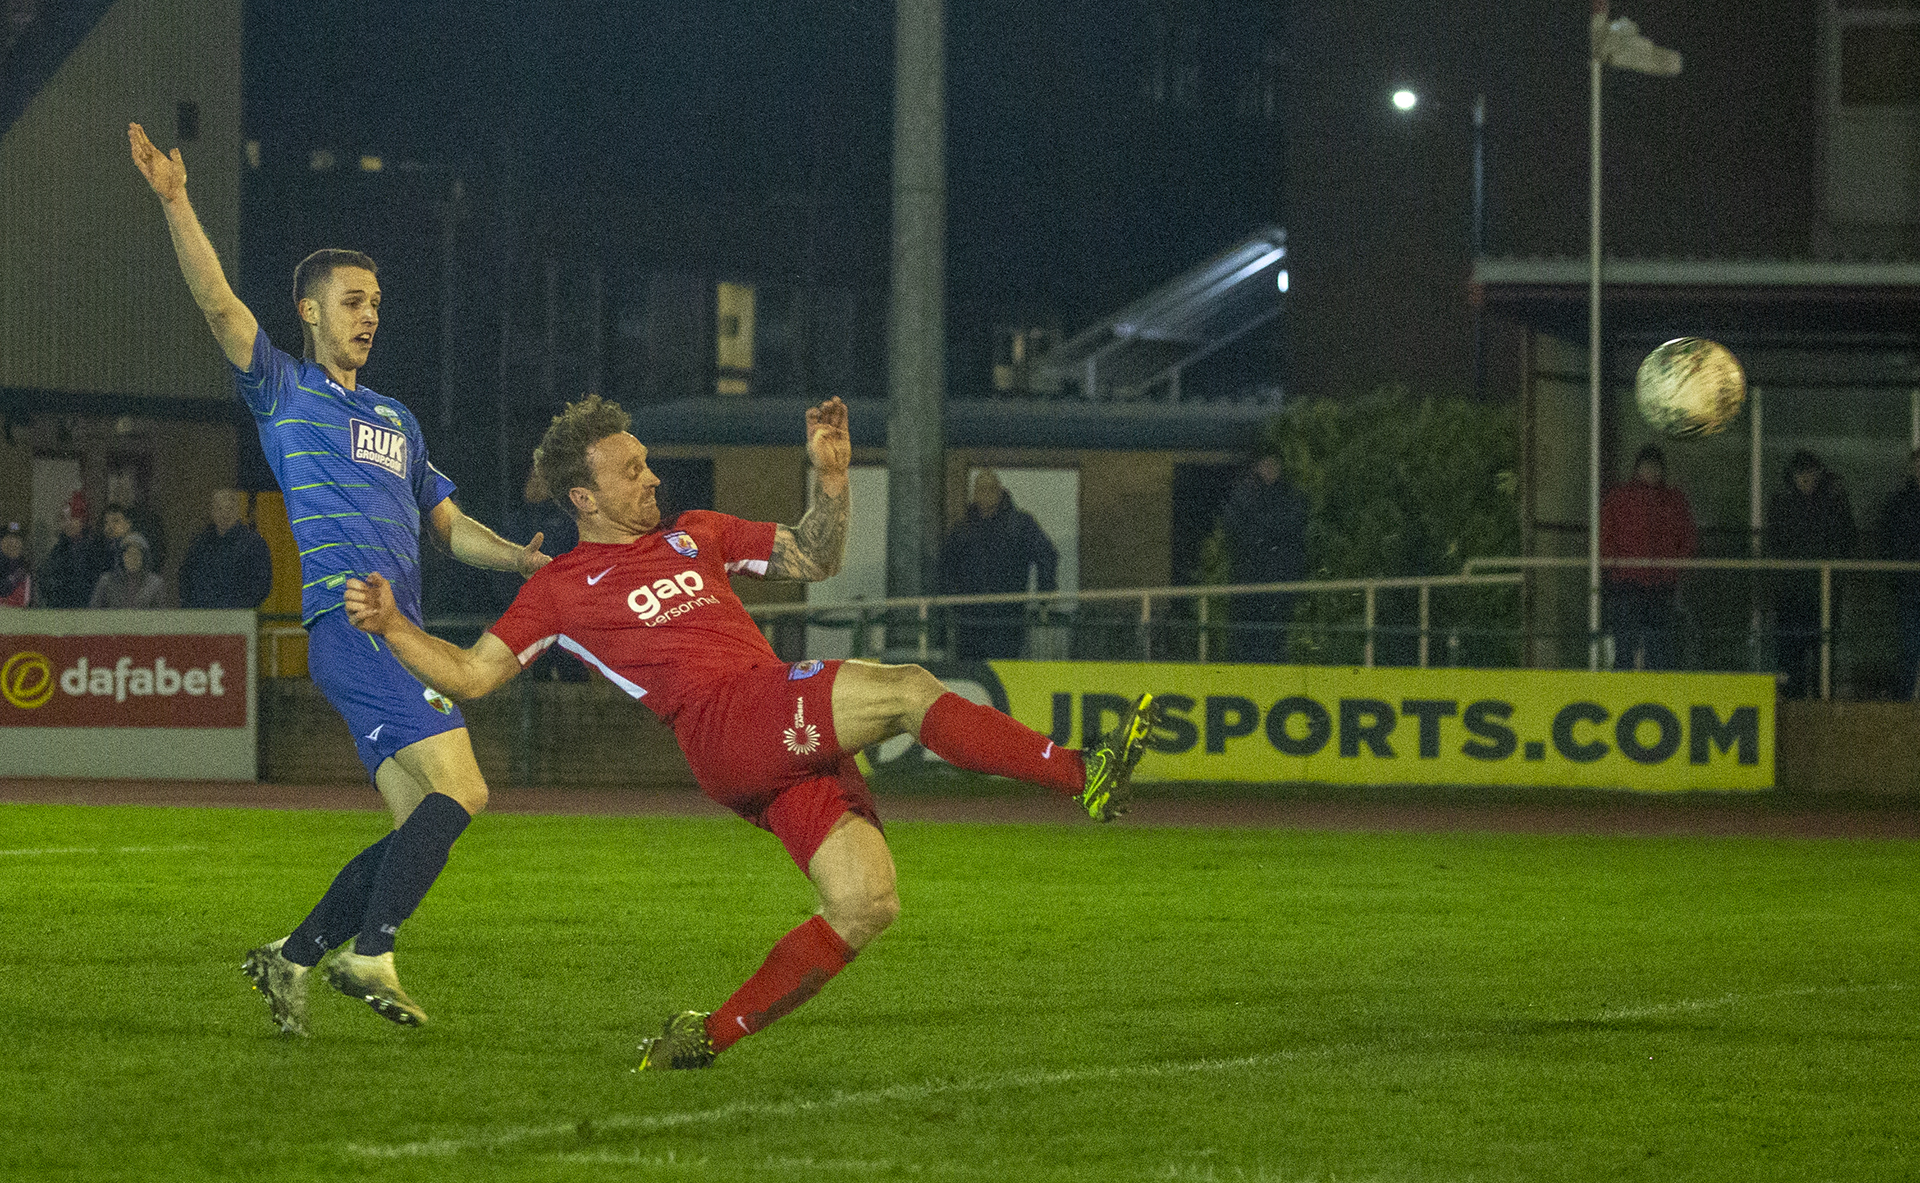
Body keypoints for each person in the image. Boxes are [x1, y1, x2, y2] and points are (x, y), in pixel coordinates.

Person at [342, 393, 1160, 1070]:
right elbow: (473, 676)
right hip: (729, 721)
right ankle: (1084, 772)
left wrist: (831, 478)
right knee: (908, 686)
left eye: (646, 460)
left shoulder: (695, 531)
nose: (650, 475)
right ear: (584, 498)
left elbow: (813, 556)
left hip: (765, 729)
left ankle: (707, 1036)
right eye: (630, 471)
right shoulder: (561, 588)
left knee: (866, 901)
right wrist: (392, 627)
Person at [132, 121, 547, 1036]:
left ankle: (290, 957)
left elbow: (447, 525)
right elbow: (219, 306)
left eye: (376, 301)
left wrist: (517, 556)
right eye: (352, 299)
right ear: (312, 311)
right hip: (356, 625)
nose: (369, 313)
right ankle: (372, 952)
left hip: (389, 631)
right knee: (464, 790)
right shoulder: (284, 389)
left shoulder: (397, 417)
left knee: (418, 827)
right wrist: (177, 201)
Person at [937, 469, 1059, 659]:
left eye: (991, 489)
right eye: (981, 489)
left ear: (1001, 491)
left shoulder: (1020, 525)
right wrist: (953, 602)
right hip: (969, 623)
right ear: (974, 494)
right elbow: (944, 567)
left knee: (1008, 674)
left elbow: (1047, 555)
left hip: (1009, 619)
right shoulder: (962, 531)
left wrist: (1046, 593)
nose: (986, 494)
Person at [1767, 449, 1857, 699]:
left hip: (1823, 592)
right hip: (1792, 593)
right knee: (1791, 653)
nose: (1806, 478)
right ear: (1792, 476)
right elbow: (1774, 544)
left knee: (1822, 653)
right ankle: (1794, 703)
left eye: (1810, 473)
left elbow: (1847, 539)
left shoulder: (1833, 503)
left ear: (1818, 474)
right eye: (1801, 473)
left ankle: (1821, 702)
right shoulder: (1782, 504)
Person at [1599, 444, 1697, 670]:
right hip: (1627, 581)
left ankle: (1655, 689)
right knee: (1625, 643)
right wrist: (1614, 568)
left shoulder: (1674, 500)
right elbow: (1606, 535)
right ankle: (1624, 689)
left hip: (1660, 583)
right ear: (1637, 468)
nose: (1651, 472)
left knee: (1658, 645)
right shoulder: (1620, 497)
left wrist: (1674, 569)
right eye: (1647, 467)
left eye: (1656, 467)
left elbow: (1688, 537)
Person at [1219, 453, 1310, 662]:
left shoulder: (1289, 496)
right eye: (1266, 464)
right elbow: (1236, 531)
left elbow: (1293, 526)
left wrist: (1260, 528)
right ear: (1257, 467)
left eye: (1274, 464)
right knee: (1245, 636)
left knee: (1275, 637)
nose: (1270, 470)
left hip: (1279, 581)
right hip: (1248, 582)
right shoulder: (1243, 496)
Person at [179, 488, 275, 609]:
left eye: (230, 509)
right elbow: (186, 579)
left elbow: (261, 584)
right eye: (219, 509)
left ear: (239, 511)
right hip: (202, 616)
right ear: (212, 512)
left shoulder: (254, 544)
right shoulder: (200, 544)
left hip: (240, 617)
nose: (225, 514)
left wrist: (238, 607)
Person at [1880, 447, 1920, 698]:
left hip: (1908, 584)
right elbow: (1889, 539)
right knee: (1910, 645)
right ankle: (1906, 695)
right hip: (1910, 586)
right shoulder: (1901, 501)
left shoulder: (1900, 501)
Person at [36, 493, 111, 609]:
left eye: (73, 518)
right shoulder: (58, 550)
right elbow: (46, 581)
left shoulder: (97, 548)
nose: (68, 523)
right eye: (64, 519)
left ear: (83, 520)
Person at [88, 532, 168, 608]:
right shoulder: (106, 581)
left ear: (144, 558)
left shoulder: (155, 584)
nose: (133, 558)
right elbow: (94, 611)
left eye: (137, 554)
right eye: (129, 554)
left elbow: (161, 615)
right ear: (121, 557)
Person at [0, 523, 30, 607]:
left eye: (16, 538)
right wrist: (12, 579)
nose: (13, 542)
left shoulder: (24, 562)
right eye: (9, 537)